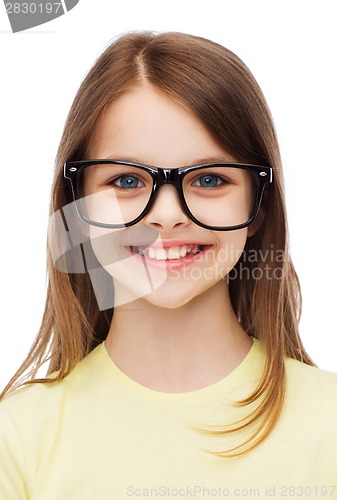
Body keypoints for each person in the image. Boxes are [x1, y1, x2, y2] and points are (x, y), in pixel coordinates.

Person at [1, 31, 336, 499]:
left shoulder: (330, 424)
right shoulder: (17, 437)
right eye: (126, 180)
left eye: (210, 179)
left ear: (259, 206)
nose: (167, 214)